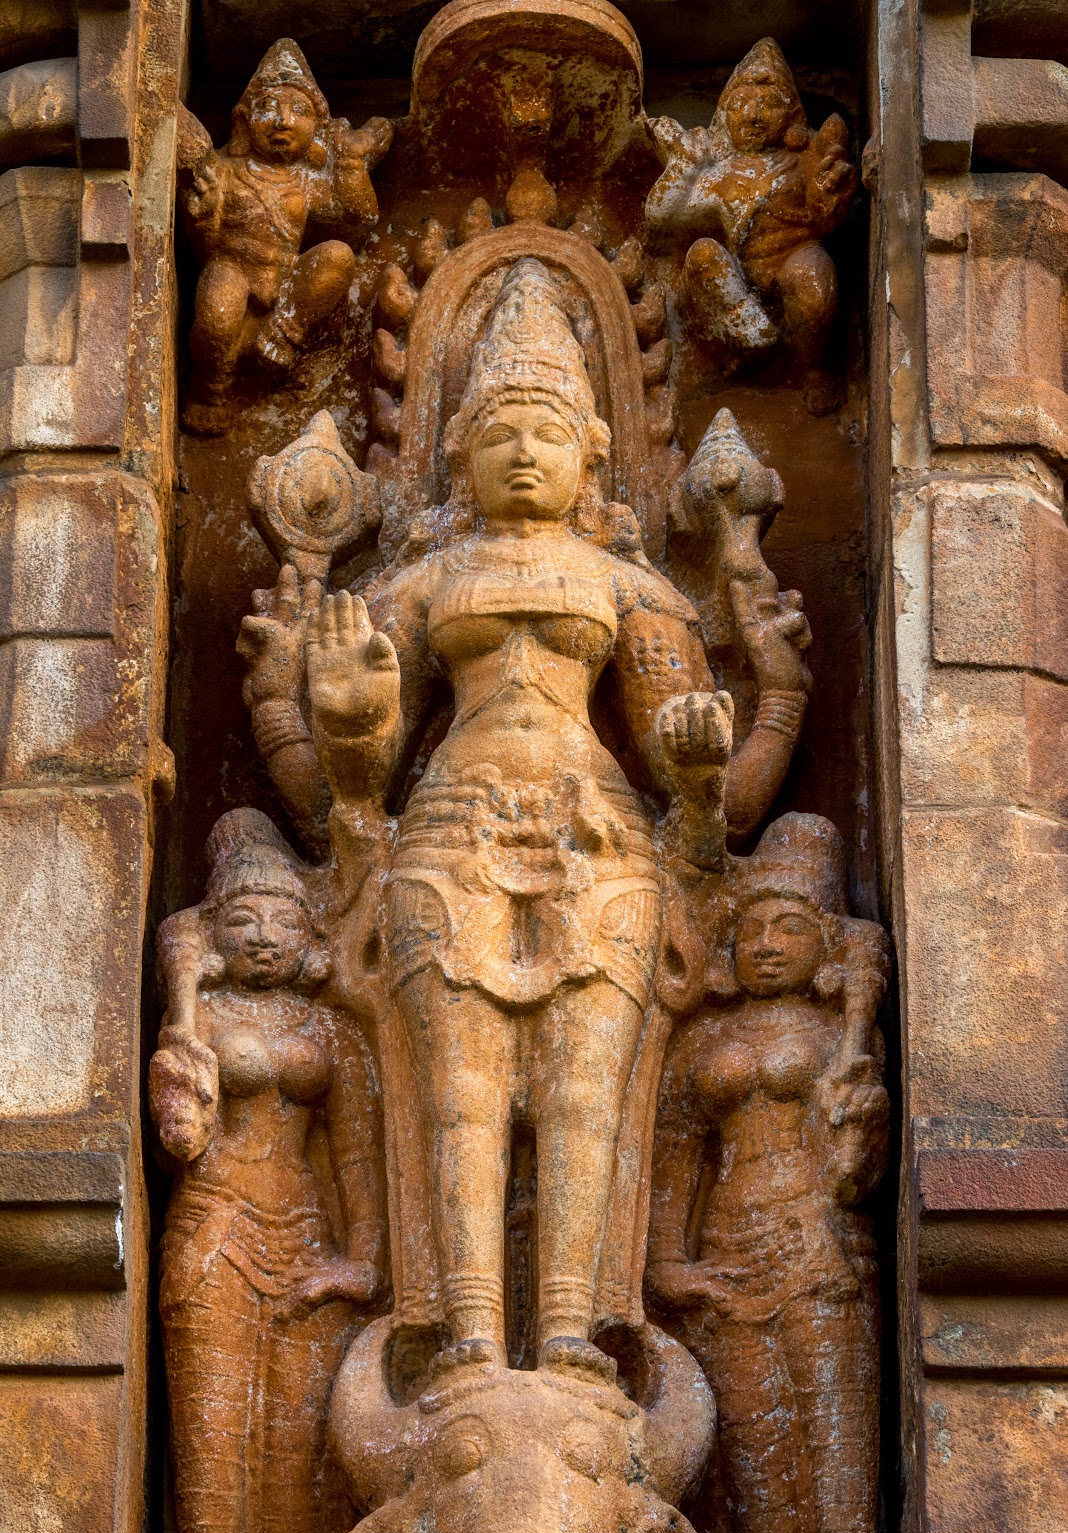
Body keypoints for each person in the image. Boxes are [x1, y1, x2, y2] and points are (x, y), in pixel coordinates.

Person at [290, 259, 811, 1378]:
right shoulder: (421, 585)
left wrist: (702, 768)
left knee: (584, 1095)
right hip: (451, 835)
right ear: (459, 456)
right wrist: (348, 727)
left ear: (591, 454)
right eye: (498, 433)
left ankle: (573, 1333)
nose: (523, 451)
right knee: (463, 1100)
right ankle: (471, 1334)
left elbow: (692, 755)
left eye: (546, 431)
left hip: (600, 842)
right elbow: (359, 779)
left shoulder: (636, 591)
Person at [647, 813, 889, 1533]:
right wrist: (668, 1262)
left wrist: (858, 1088)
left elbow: (855, 1165)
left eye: (789, 928)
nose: (767, 945)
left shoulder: (840, 1036)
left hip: (816, 1246)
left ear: (826, 945)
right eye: (751, 930)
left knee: (834, 1447)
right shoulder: (701, 1043)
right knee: (758, 1466)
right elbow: (674, 1154)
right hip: (726, 1255)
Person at [149, 809, 387, 1533]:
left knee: (301, 1440)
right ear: (214, 933)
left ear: (308, 933)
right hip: (216, 1224)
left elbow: (357, 1155)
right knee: (212, 1423)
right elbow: (181, 1139)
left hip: (308, 1242)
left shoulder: (331, 1031)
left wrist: (363, 1260)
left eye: (281, 920)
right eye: (241, 921)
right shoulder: (203, 1021)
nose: (260, 937)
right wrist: (182, 1009)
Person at [176, 38, 392, 433]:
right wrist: (202, 212)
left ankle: (283, 334)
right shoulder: (225, 168)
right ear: (242, 120)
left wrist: (349, 164)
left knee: (338, 256)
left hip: (286, 285)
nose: (283, 120)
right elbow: (203, 244)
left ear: (318, 129)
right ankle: (211, 389)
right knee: (219, 306)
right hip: (232, 269)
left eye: (299, 111)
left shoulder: (308, 179)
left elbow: (358, 219)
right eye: (268, 108)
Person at [646, 37, 856, 370]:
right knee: (703, 253)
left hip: (793, 263)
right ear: (724, 113)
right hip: (737, 287)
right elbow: (661, 219)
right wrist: (685, 164)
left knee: (812, 277)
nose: (754, 113)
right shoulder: (721, 172)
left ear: (791, 116)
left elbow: (826, 218)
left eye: (769, 103)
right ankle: (750, 333)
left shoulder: (802, 162)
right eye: (741, 102)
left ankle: (813, 368)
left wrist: (831, 191)